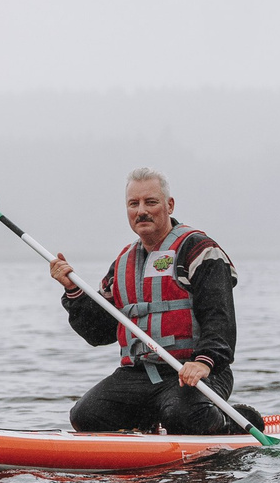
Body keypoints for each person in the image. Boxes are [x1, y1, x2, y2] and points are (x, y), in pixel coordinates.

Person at [48, 168, 264, 435]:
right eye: (133, 204)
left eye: (150, 202)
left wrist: (204, 362)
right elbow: (100, 333)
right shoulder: (123, 263)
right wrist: (73, 292)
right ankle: (149, 425)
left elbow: (219, 317)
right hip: (140, 375)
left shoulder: (199, 251)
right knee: (86, 416)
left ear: (169, 205)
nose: (142, 211)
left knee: (183, 417)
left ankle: (235, 420)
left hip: (198, 371)